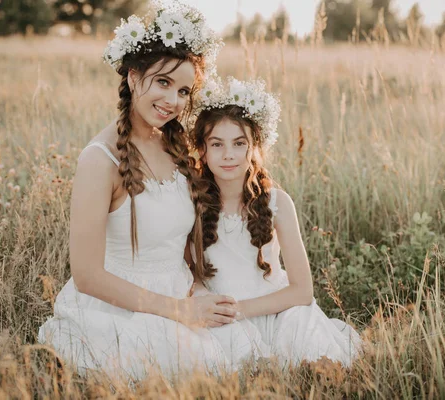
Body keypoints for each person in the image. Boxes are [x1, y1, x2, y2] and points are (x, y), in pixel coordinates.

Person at [38, 2, 237, 380]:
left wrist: (194, 290)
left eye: (183, 91)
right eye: (162, 83)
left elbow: (178, 244)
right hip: (117, 305)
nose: (173, 101)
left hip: (180, 291)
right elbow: (86, 275)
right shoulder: (99, 160)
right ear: (132, 76)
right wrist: (178, 310)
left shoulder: (176, 150)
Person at [190, 77, 362, 368]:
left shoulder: (277, 203)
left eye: (239, 143)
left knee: (308, 344)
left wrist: (242, 309)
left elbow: (302, 290)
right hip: (223, 316)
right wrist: (212, 305)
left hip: (279, 309)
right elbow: (189, 274)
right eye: (217, 144)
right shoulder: (191, 205)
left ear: (254, 146)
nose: (229, 154)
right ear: (203, 151)